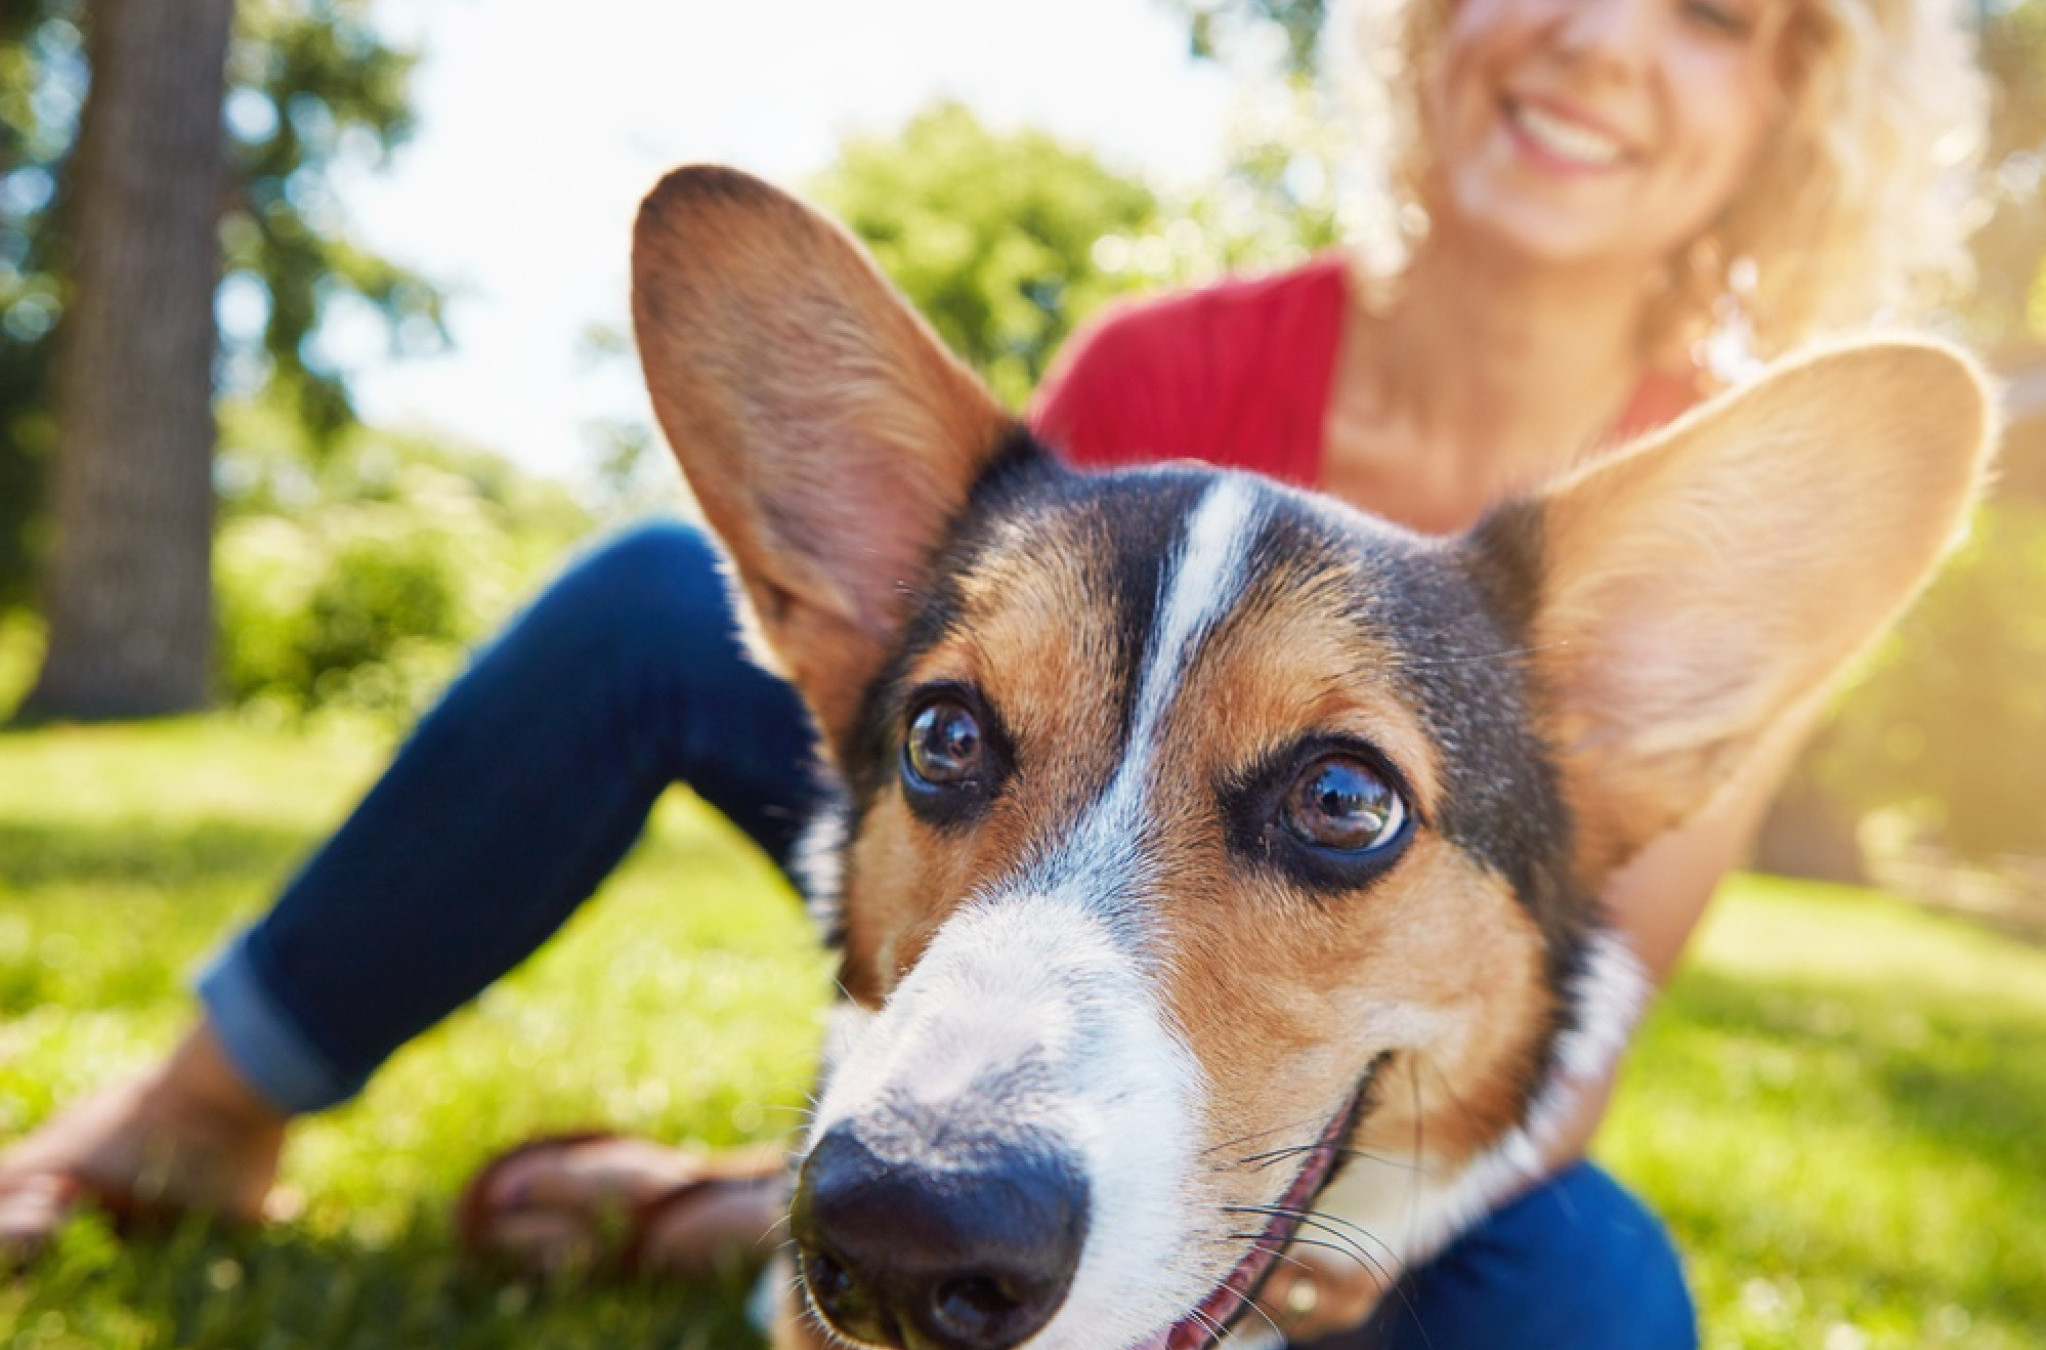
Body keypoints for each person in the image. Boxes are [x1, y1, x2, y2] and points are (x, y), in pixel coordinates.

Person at [0, 0, 1988, 1344]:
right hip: (983, 878)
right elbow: (988, 864)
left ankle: (750, 1204)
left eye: (1712, 10)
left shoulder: (1695, 554)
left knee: (1589, 1289)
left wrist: (1276, 1245)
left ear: (1789, 111)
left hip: (1358, 1127)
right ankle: (199, 1108)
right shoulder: (1171, 365)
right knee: (653, 604)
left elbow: (1554, 1024)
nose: (1601, 31)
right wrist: (917, 1130)